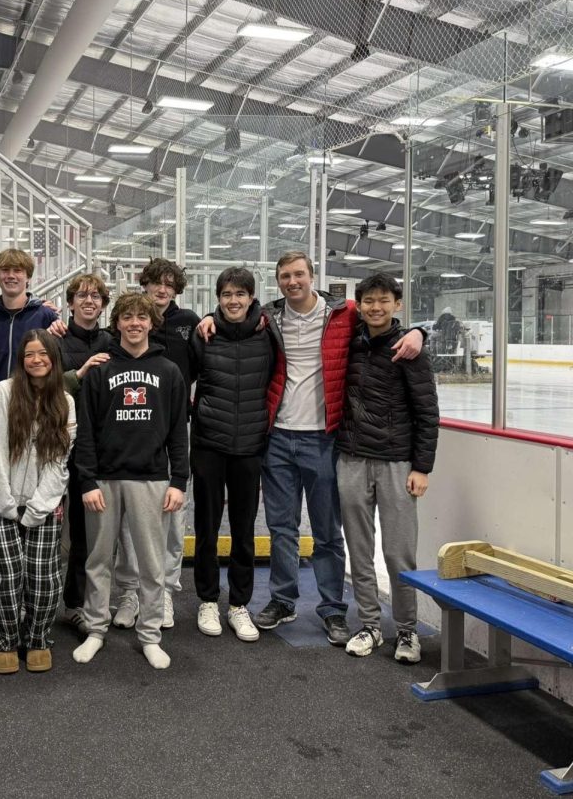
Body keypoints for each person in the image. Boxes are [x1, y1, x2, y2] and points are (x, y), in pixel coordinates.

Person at [196, 250, 423, 644]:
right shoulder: (269, 318)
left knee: (326, 532)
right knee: (282, 527)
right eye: (285, 275)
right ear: (278, 281)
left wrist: (419, 332)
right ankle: (282, 601)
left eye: (299, 274)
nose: (292, 281)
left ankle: (332, 608)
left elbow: (382, 319)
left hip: (324, 436)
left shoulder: (343, 314)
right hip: (278, 437)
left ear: (312, 276)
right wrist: (207, 318)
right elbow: (231, 316)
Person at [73, 292, 189, 671]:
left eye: (142, 317)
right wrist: (87, 480)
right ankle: (95, 629)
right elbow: (86, 431)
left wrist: (179, 480)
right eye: (127, 317)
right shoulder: (101, 371)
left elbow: (178, 431)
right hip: (105, 479)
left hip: (152, 479)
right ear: (117, 322)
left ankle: (150, 635)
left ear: (151, 323)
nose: (135, 323)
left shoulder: (169, 371)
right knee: (98, 560)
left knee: (151, 565)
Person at [337, 274, 439, 663]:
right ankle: (369, 625)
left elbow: (427, 413)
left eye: (383, 301)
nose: (375, 308)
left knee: (398, 553)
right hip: (351, 458)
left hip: (397, 463)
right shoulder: (351, 343)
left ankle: (408, 631)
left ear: (397, 304)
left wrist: (422, 467)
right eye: (368, 301)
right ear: (359, 305)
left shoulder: (410, 351)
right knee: (359, 551)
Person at [189, 267, 280, 643]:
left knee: (244, 531)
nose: (233, 301)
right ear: (218, 298)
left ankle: (239, 604)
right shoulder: (204, 335)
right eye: (226, 294)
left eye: (240, 293)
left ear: (251, 297)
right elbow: (186, 377)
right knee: (206, 528)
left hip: (250, 446)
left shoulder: (269, 331)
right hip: (209, 443)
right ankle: (208, 599)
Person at [111, 258, 199, 631]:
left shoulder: (190, 324)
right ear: (144, 285)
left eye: (169, 285)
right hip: (130, 435)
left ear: (176, 289)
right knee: (130, 524)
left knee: (171, 519)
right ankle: (131, 591)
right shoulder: (126, 324)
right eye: (155, 283)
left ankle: (163, 589)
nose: (162, 290)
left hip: (173, 431)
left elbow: (207, 367)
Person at [0, 329, 76, 674]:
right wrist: (5, 503)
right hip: (0, 502)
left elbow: (58, 462)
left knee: (43, 577)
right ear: (21, 360)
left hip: (45, 505)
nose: (36, 360)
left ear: (53, 358)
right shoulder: (3, 393)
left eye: (43, 354)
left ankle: (38, 638)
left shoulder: (65, 401)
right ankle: (5, 640)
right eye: (29, 355)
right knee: (6, 574)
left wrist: (38, 507)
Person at [56, 273, 112, 632]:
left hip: (103, 447)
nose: (89, 301)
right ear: (71, 302)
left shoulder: (113, 340)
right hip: (62, 445)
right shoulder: (55, 340)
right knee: (58, 529)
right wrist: (79, 373)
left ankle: (87, 602)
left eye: (96, 297)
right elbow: (41, 385)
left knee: (93, 532)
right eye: (82, 295)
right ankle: (56, 600)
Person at [0, 248, 60, 378]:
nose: (11, 276)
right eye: (5, 270)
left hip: (31, 394)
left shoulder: (46, 316)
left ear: (28, 277)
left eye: (17, 270)